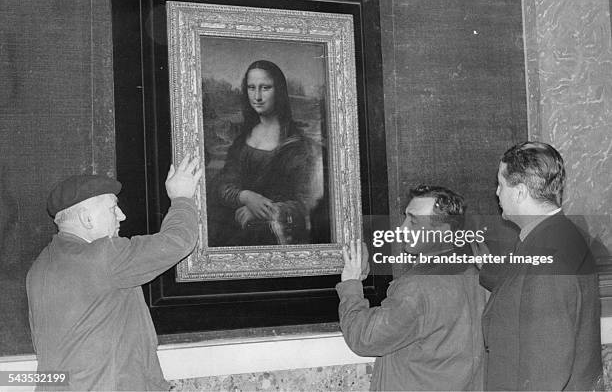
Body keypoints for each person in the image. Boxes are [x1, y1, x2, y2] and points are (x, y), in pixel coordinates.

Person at [26, 155, 202, 391]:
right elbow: (178, 241)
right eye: (113, 208)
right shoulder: (104, 256)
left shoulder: (39, 268)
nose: (122, 216)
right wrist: (181, 198)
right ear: (87, 218)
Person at [337, 185, 486, 391]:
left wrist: (351, 285)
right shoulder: (475, 274)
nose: (403, 228)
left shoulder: (418, 286)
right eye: (405, 217)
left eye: (413, 221)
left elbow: (364, 339)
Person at [481, 141, 602, 390]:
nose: (497, 193)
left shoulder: (549, 257)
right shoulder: (552, 235)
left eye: (501, 184)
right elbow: (524, 290)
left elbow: (546, 370)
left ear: (520, 192)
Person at [210, 60, 321, 246]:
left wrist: (263, 210)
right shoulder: (242, 139)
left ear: (279, 91)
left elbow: (306, 203)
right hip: (233, 233)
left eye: (265, 88)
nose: (257, 96)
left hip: (276, 238)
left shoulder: (298, 146)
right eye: (251, 88)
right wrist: (245, 196)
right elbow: (221, 185)